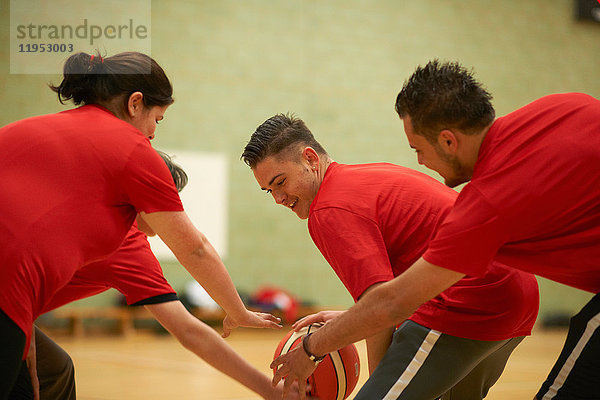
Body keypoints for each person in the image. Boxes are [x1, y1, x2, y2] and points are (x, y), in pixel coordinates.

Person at [269, 61, 600, 400]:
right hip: (516, 301)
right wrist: (354, 319)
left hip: (472, 303)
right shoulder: (565, 105)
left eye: (419, 149)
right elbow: (396, 297)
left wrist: (311, 348)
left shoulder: (483, 203)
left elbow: (387, 306)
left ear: (448, 141)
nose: (420, 161)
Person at [0, 51, 279, 399]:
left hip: (13, 294)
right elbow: (195, 252)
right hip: (6, 292)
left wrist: (23, 327)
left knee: (55, 369)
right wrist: (238, 312)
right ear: (135, 104)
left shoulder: (48, 127)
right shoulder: (131, 162)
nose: (151, 135)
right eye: (158, 120)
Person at [241, 114, 539, 399]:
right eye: (269, 191)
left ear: (310, 159)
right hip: (516, 290)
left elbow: (381, 311)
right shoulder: (361, 178)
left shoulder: (328, 210)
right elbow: (390, 298)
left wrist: (313, 351)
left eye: (280, 182)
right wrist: (353, 318)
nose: (279, 199)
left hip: (474, 297)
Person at [10, 152, 294, 400]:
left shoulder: (86, 200)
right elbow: (190, 331)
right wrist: (268, 389)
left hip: (14, 304)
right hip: (8, 310)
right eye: (168, 196)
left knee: (56, 369)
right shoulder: (126, 245)